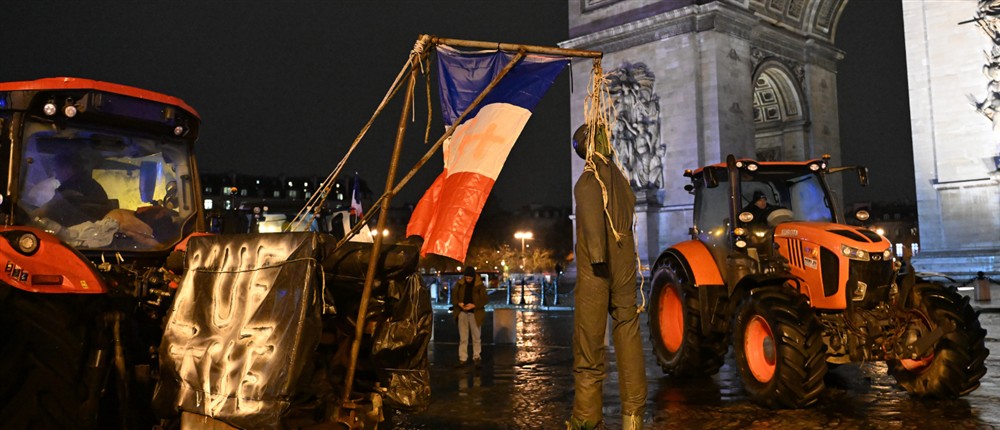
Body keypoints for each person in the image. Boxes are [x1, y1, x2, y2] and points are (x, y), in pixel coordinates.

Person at [569, 124, 646, 430]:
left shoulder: (589, 180)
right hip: (625, 265)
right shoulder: (621, 180)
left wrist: (598, 255)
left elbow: (592, 229)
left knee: (588, 343)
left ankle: (586, 419)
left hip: (596, 270)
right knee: (628, 334)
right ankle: (633, 418)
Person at [34, 152, 112, 226]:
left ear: (68, 168)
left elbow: (48, 212)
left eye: (56, 170)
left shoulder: (67, 190)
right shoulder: (94, 186)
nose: (56, 176)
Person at [452, 266, 488, 368]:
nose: (468, 280)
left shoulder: (479, 285)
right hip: (462, 312)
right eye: (466, 278)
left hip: (475, 313)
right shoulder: (460, 284)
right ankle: (462, 358)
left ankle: (476, 356)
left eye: (470, 278)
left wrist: (474, 305)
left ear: (473, 277)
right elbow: (454, 296)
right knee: (463, 337)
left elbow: (484, 299)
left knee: (476, 336)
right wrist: (459, 303)